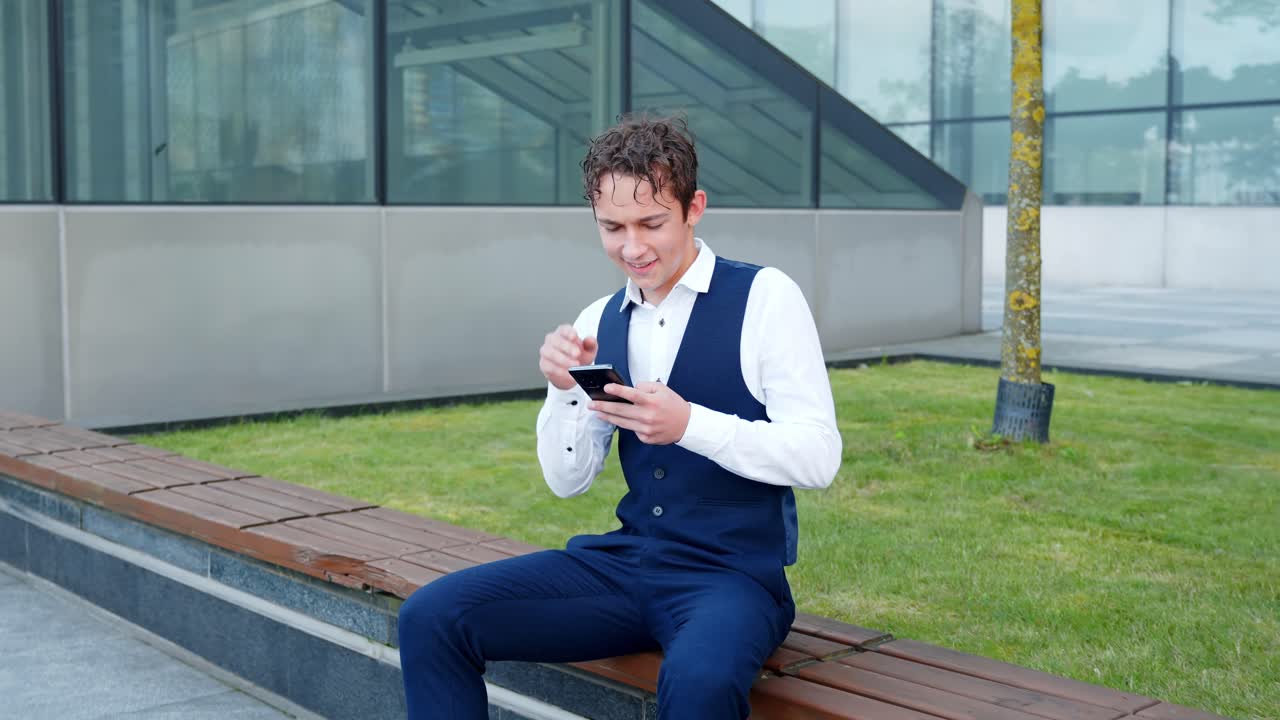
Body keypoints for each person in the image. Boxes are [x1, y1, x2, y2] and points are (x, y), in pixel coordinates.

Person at [397, 115, 841, 719]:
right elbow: (566, 481)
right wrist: (563, 391)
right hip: (627, 565)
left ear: (694, 208)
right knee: (432, 616)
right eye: (612, 227)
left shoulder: (766, 298)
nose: (631, 247)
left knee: (697, 684)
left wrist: (692, 426)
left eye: (651, 223)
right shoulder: (598, 318)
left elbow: (818, 456)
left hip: (732, 580)